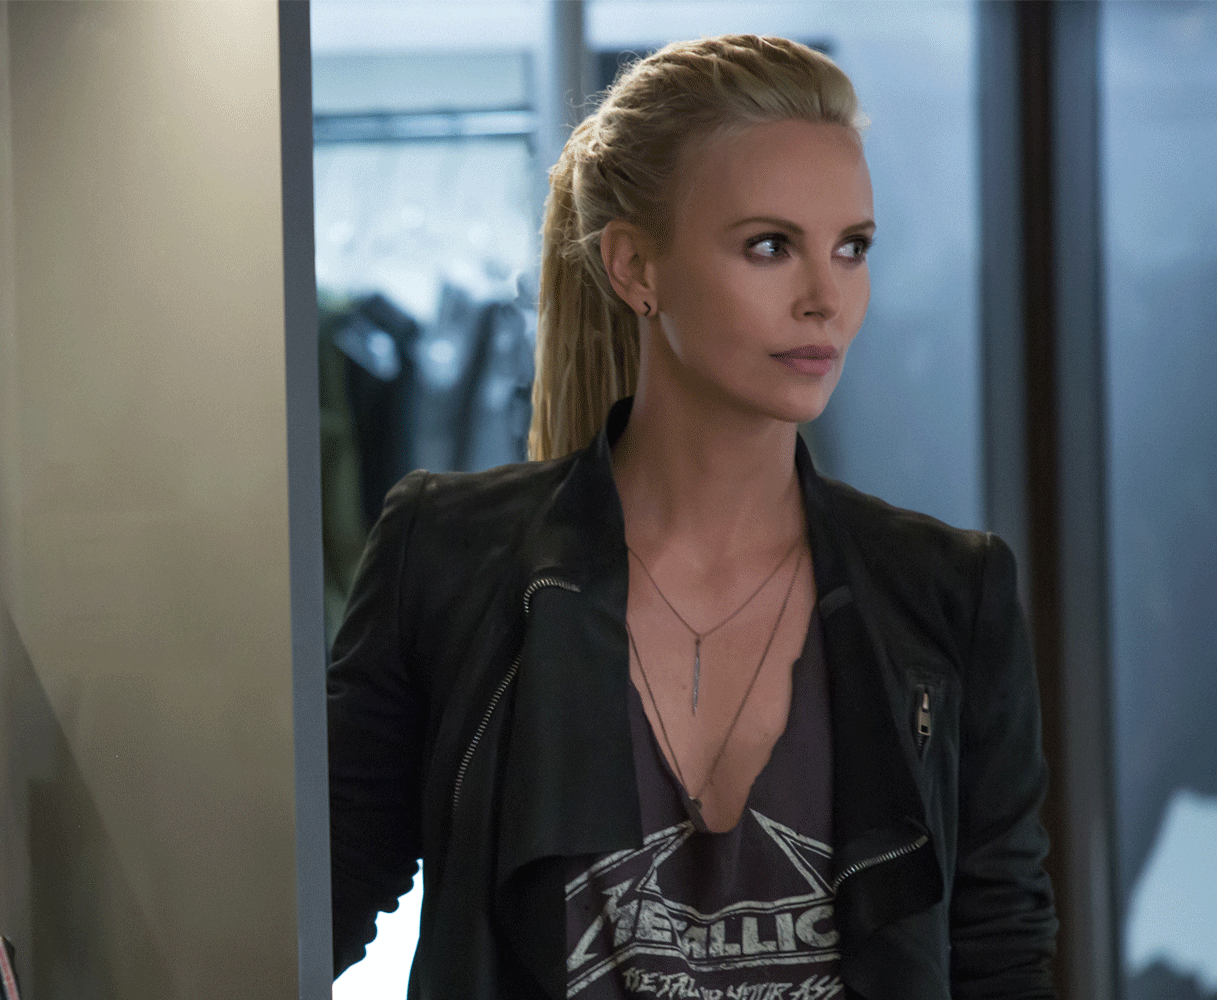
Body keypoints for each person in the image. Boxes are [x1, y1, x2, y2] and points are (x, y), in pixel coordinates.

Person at [327, 34, 1058, 1000]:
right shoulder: (450, 556)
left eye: (852, 248)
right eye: (770, 246)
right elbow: (312, 897)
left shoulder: (948, 594)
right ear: (637, 267)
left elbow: (1001, 956)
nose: (826, 299)